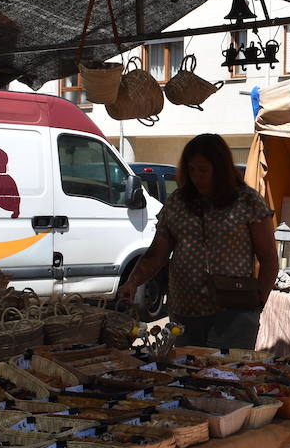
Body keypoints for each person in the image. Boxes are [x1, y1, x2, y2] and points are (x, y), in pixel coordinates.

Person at [116, 133, 278, 349]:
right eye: (191, 170)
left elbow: (269, 259)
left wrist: (258, 303)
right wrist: (132, 282)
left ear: (220, 170)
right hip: (185, 313)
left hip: (234, 314)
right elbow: (156, 254)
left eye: (203, 170)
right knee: (187, 374)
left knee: (226, 375)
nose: (197, 177)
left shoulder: (248, 201)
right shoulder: (178, 202)